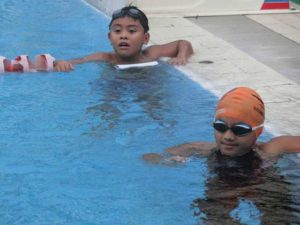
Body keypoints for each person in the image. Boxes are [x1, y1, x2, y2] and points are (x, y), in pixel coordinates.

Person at [142, 87, 300, 224]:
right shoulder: (201, 149)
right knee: (213, 216)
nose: (228, 136)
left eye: (240, 129)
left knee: (280, 214)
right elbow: (149, 157)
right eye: (220, 127)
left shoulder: (272, 149)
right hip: (224, 189)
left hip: (263, 188)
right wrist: (168, 161)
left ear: (257, 131)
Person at [54, 6, 194, 72]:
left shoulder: (151, 53)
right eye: (117, 31)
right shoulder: (104, 57)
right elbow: (80, 60)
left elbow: (183, 43)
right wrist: (60, 62)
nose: (123, 35)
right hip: (115, 86)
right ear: (110, 37)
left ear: (145, 38)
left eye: (132, 31)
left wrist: (182, 56)